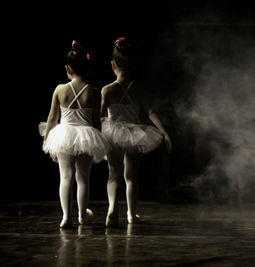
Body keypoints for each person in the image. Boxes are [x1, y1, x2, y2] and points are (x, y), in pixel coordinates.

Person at [101, 37, 172, 227]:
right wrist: (164, 132)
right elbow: (151, 112)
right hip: (134, 132)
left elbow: (99, 116)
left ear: (113, 65)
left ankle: (112, 209)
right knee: (132, 176)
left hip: (112, 131)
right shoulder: (140, 90)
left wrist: (95, 133)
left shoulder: (107, 90)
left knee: (113, 174)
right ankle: (131, 215)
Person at [41, 40, 110, 228]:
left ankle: (66, 217)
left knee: (65, 177)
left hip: (64, 135)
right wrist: (99, 141)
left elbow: (52, 117)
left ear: (67, 69)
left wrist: (47, 138)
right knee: (83, 178)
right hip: (87, 136)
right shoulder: (94, 92)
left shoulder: (60, 89)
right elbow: (96, 121)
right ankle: (81, 215)